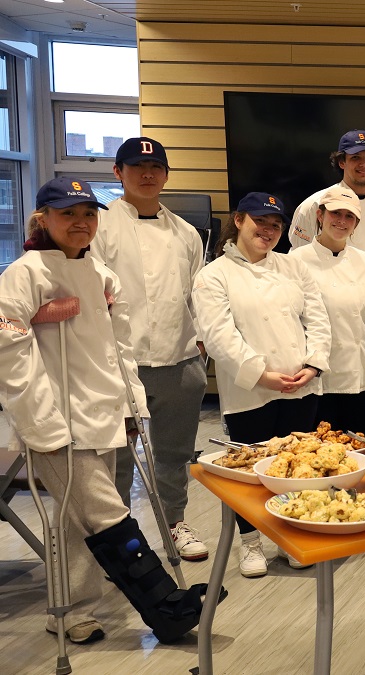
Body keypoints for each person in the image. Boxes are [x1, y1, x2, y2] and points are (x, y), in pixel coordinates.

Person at [0, 177, 218, 645]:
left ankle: (75, 611)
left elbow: (119, 349)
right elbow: (9, 349)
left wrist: (131, 404)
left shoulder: (101, 273)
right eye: (67, 214)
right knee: (106, 511)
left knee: (79, 518)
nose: (80, 223)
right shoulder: (25, 273)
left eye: (88, 214)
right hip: (53, 418)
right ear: (43, 218)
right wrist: (40, 421)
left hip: (101, 411)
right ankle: (162, 604)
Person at [193, 192, 331, 577]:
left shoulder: (292, 268)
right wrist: (262, 374)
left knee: (299, 466)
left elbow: (318, 319)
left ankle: (292, 535)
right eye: (260, 222)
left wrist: (314, 365)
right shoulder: (213, 275)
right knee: (251, 471)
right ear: (239, 221)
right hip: (250, 391)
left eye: (275, 224)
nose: (268, 231)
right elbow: (219, 336)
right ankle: (250, 543)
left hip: (300, 385)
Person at [91, 137, 209, 563]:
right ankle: (118, 540)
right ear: (118, 172)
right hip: (120, 363)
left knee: (175, 453)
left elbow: (198, 294)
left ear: (165, 175)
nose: (147, 174)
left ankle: (174, 523)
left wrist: (202, 344)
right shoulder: (99, 226)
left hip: (179, 360)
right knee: (117, 458)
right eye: (136, 167)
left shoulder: (186, 233)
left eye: (155, 167)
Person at [289, 186, 365, 437]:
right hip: (320, 381)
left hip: (363, 377)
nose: (342, 221)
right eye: (335, 213)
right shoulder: (296, 261)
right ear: (320, 215)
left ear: (356, 223)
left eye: (349, 216)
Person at [288, 129, 365, 257]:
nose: (363, 164)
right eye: (355, 157)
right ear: (342, 162)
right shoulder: (314, 204)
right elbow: (298, 258)